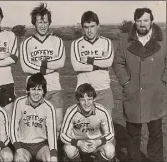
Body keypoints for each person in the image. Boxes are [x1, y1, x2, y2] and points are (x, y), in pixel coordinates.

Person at [112, 8, 165, 162]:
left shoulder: (164, 40)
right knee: (133, 134)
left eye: (146, 20)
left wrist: (162, 82)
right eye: (139, 20)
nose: (142, 24)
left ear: (152, 21)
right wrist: (126, 82)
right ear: (135, 22)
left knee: (156, 134)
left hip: (155, 95)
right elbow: (118, 63)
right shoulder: (124, 40)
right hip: (133, 94)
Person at [19, 3, 65, 136]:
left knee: (57, 125)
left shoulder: (57, 41)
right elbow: (25, 67)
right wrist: (48, 67)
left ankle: (55, 153)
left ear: (49, 23)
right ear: (34, 23)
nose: (43, 25)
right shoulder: (26, 43)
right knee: (35, 125)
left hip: (54, 88)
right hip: (35, 89)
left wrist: (40, 65)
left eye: (45, 22)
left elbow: (61, 63)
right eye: (40, 22)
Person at [70, 11, 115, 114]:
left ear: (98, 26)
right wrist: (98, 65)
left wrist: (88, 60)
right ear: (82, 27)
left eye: (92, 26)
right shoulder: (76, 44)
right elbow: (77, 66)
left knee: (106, 126)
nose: (89, 30)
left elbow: (108, 62)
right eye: (86, 27)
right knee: (85, 126)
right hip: (84, 92)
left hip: (103, 90)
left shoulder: (106, 42)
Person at [60, 83, 115, 162]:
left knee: (109, 150)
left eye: (89, 99)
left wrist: (97, 142)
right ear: (78, 100)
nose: (86, 103)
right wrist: (79, 143)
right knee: (69, 149)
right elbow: (63, 135)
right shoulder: (71, 111)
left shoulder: (103, 111)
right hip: (78, 143)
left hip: (96, 143)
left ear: (94, 99)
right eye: (83, 100)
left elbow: (110, 133)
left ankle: (98, 159)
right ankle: (78, 159)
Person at [11, 73, 58, 162]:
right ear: (28, 90)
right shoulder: (19, 102)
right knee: (20, 160)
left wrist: (53, 155)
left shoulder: (49, 107)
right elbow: (13, 128)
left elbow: (52, 133)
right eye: (33, 89)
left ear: (44, 91)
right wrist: (19, 150)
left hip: (41, 145)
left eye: (39, 89)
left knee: (49, 159)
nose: (36, 93)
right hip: (23, 145)